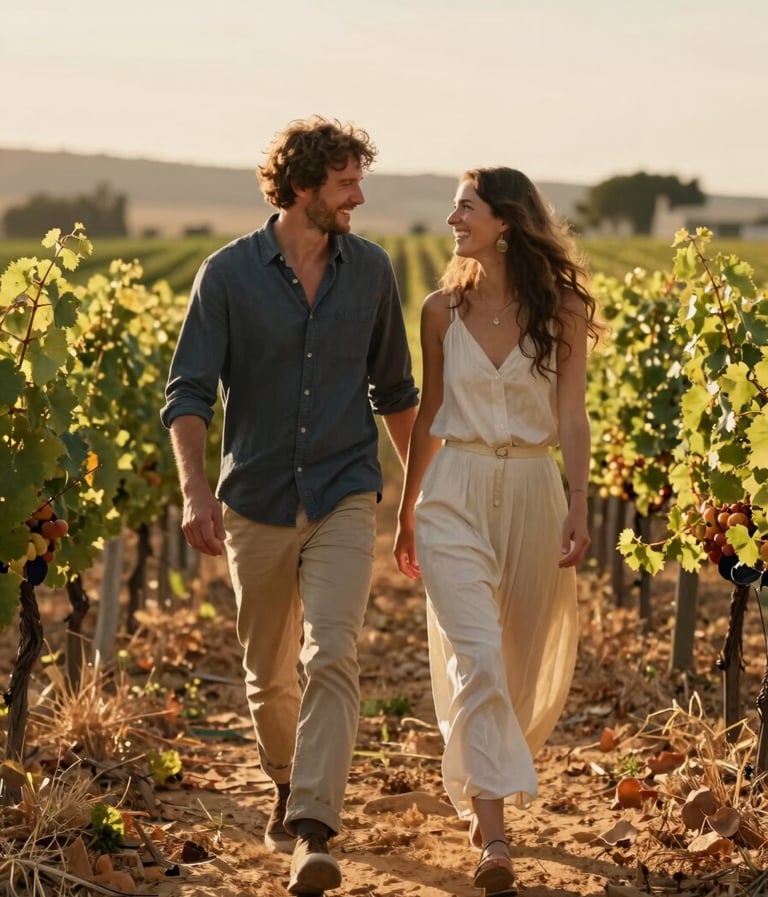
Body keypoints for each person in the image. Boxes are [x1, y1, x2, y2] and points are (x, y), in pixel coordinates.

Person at [161, 116, 419, 896]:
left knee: (331, 651)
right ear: (303, 185)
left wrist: (419, 498)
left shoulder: (371, 271)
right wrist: (195, 491)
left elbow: (396, 392)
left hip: (344, 491)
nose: (359, 197)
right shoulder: (228, 275)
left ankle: (313, 824)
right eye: (346, 184)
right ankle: (284, 778)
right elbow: (188, 393)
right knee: (269, 675)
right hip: (257, 499)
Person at [394, 167, 597, 895]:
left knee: (512, 661)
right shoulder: (440, 311)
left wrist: (579, 504)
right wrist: (407, 509)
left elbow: (572, 416)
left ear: (506, 221)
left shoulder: (564, 309)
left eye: (466, 207)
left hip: (536, 488)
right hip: (456, 490)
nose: (453, 218)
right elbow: (429, 412)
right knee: (476, 657)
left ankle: (487, 786)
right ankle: (496, 832)